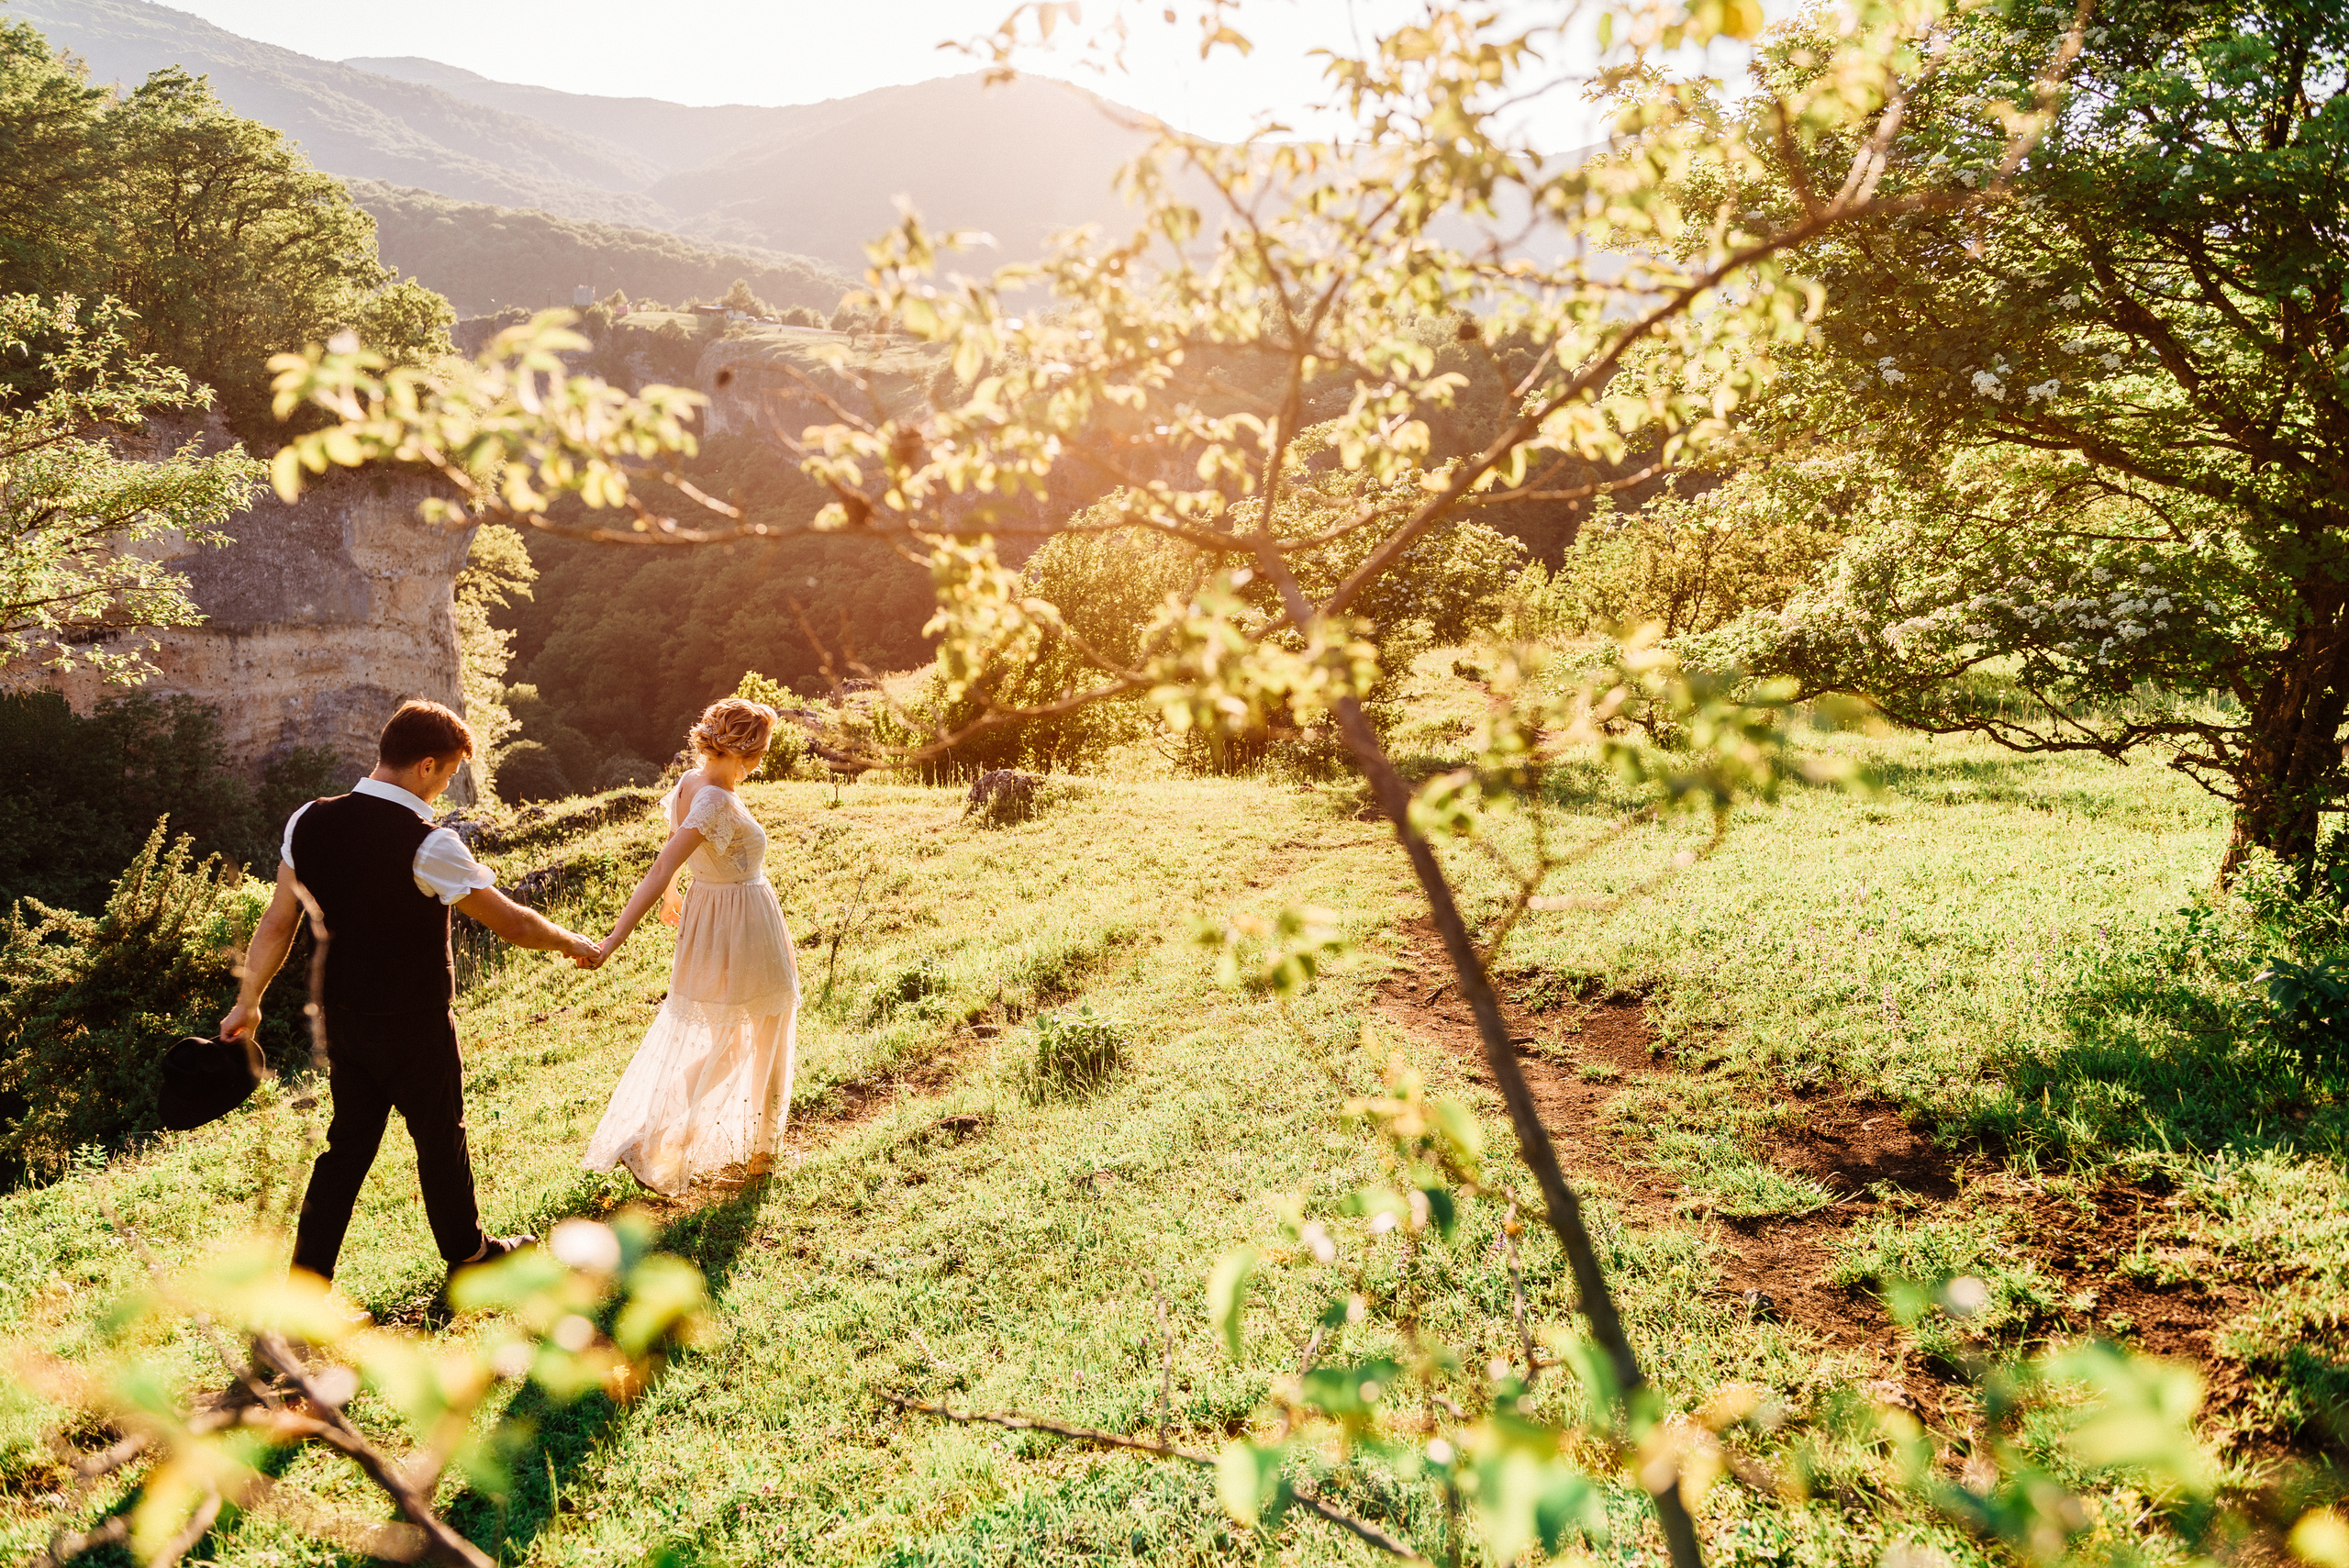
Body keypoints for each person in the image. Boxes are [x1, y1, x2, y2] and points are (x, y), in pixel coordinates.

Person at [220, 700, 601, 1313]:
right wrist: (572, 940)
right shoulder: (429, 844)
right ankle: (471, 1258)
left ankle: (305, 1289)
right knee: (439, 1140)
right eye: (449, 772)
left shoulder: (308, 820)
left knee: (345, 1151)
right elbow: (510, 921)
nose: (447, 784)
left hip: (343, 1020)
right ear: (427, 765)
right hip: (416, 1024)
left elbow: (276, 921)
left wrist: (249, 1002)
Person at [584, 698, 800, 1195]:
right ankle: (750, 1150)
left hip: (712, 917)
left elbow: (677, 853)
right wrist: (615, 938)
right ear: (743, 748)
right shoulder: (715, 800)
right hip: (739, 924)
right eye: (761, 751)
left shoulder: (690, 784)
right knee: (766, 1025)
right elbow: (662, 863)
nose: (763, 762)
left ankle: (668, 1133)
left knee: (736, 1035)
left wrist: (673, 894)